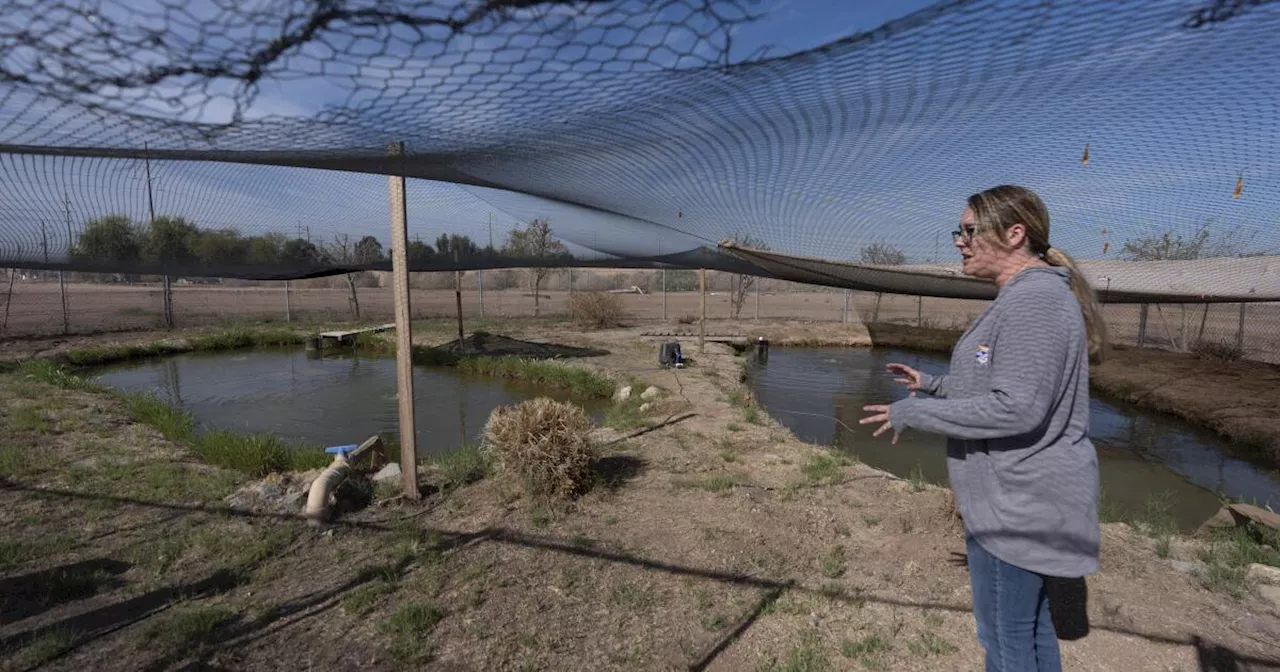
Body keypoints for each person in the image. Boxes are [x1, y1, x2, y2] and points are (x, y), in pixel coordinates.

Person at [859, 184, 1106, 672]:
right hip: (1019, 502)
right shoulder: (1025, 297)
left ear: (1015, 234)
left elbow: (1017, 409)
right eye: (960, 231)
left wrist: (912, 414)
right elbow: (1002, 387)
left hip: (1019, 506)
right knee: (1030, 631)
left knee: (1004, 638)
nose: (959, 241)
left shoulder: (1034, 301)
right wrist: (931, 385)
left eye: (969, 230)